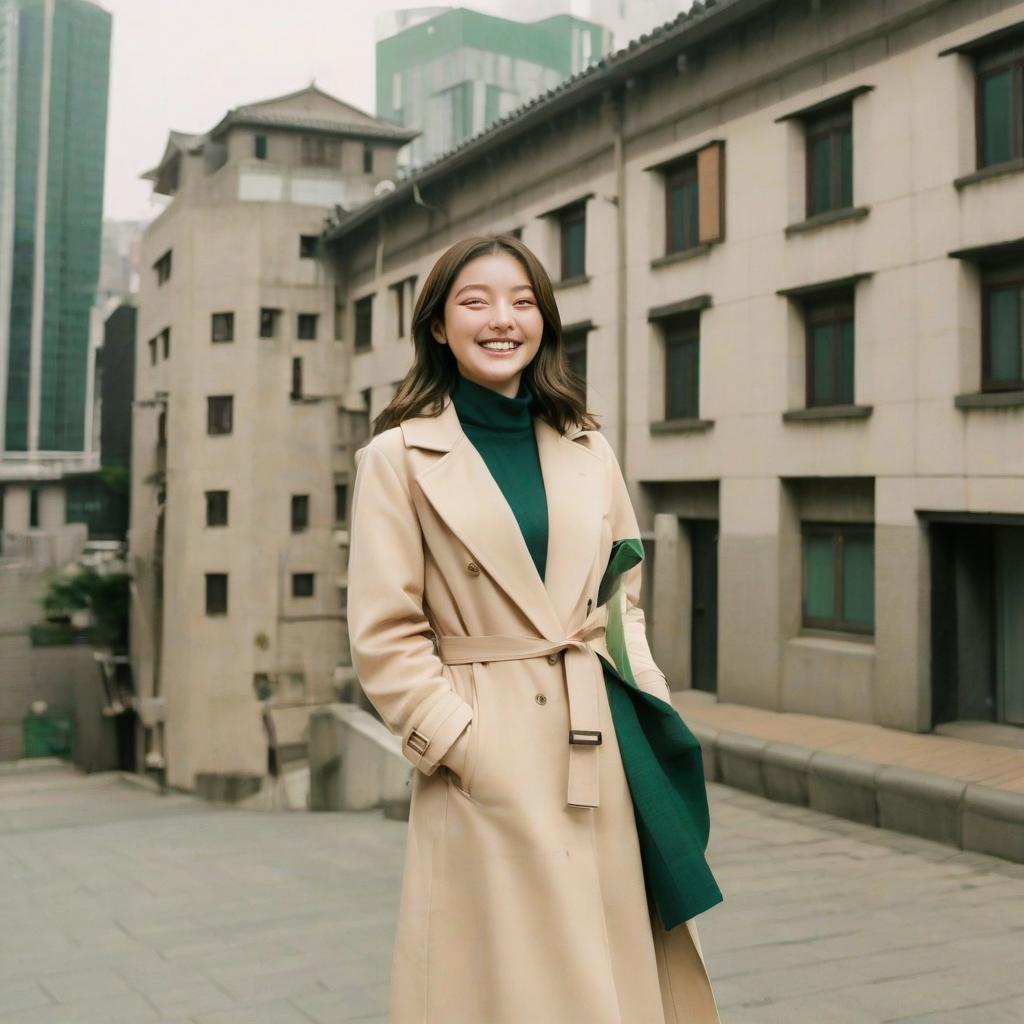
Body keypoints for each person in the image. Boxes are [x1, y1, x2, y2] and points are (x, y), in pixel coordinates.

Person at [346, 234, 723, 1023]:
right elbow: (385, 634)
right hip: (488, 748)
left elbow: (623, 600)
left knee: (609, 968)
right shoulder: (398, 458)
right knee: (511, 983)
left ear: (545, 323)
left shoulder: (587, 443)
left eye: (521, 301)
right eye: (474, 302)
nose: (501, 319)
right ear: (440, 327)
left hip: (600, 739)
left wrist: (650, 711)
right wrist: (463, 745)